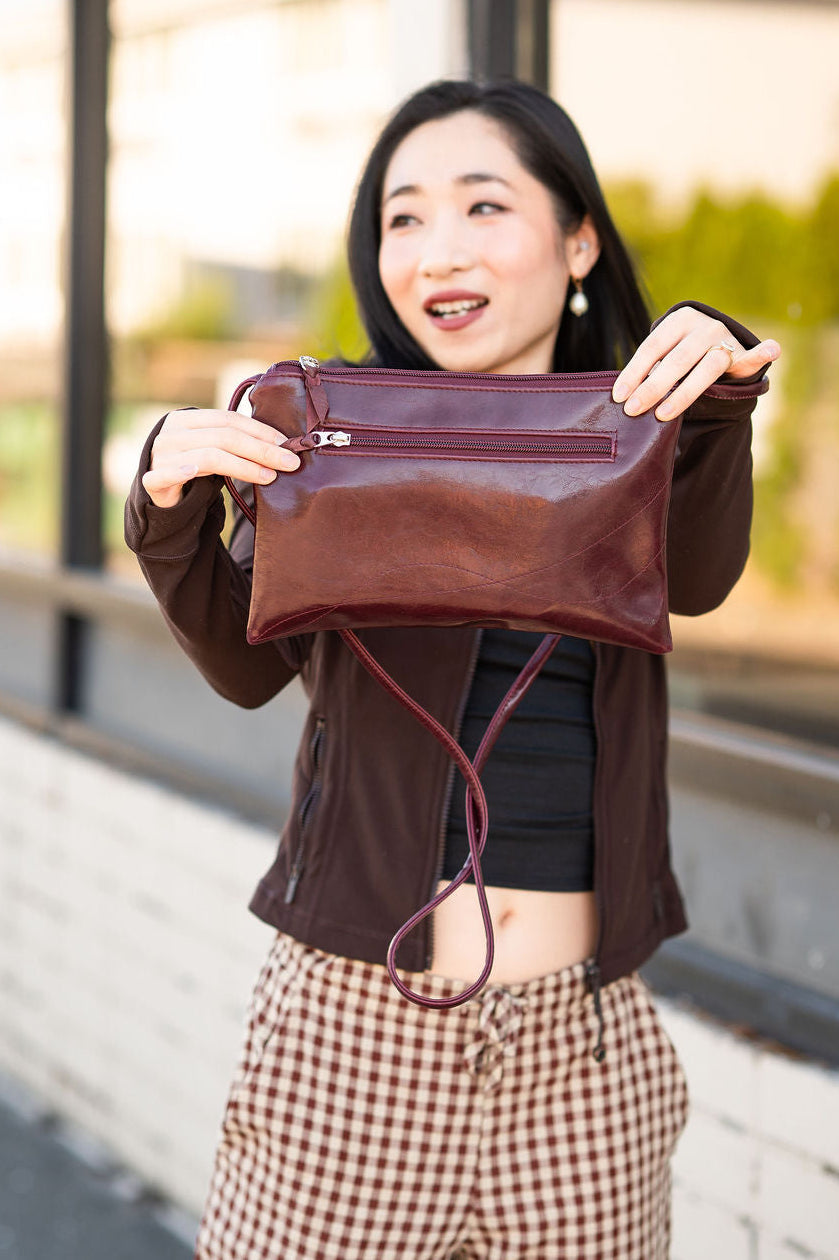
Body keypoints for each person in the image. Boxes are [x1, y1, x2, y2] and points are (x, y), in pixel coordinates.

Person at [125, 79, 779, 1260]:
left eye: (483, 207)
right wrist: (169, 502)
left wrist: (715, 388)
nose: (435, 250)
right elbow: (241, 665)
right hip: (353, 1038)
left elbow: (693, 580)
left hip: (580, 1052)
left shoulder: (634, 429)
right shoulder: (333, 432)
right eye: (402, 217)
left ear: (578, 239)